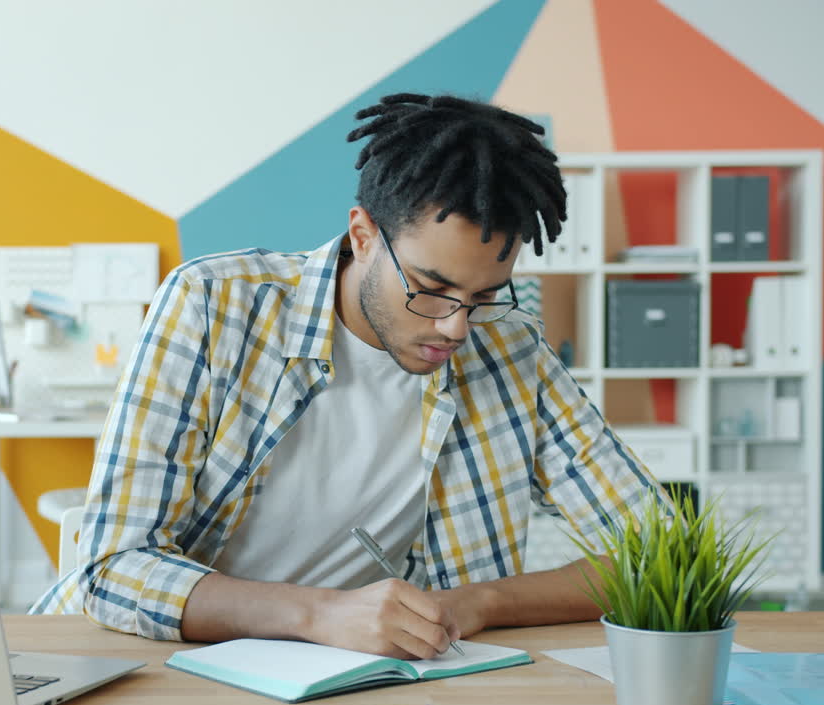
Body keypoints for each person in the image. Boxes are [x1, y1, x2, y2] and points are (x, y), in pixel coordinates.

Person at [32, 93, 659, 660]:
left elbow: (661, 557)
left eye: (485, 295)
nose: (456, 328)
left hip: (357, 674)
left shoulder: (510, 347)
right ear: (363, 235)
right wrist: (320, 614)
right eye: (433, 290)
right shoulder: (213, 304)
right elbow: (112, 568)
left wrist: (478, 603)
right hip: (162, 663)